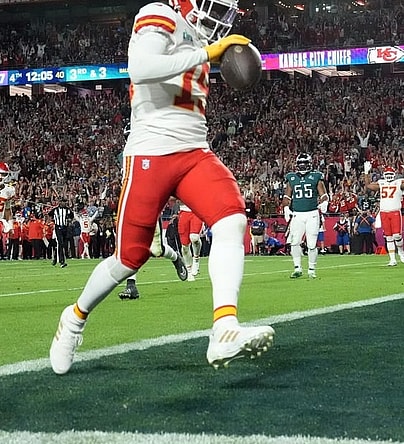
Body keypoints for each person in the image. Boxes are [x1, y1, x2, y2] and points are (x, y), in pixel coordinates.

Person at [49, 0, 274, 375]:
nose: (219, 17)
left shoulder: (199, 38)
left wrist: (212, 54)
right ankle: (73, 319)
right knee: (128, 259)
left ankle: (224, 327)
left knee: (232, 220)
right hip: (150, 153)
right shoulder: (161, 14)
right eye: (215, 7)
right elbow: (140, 68)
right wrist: (205, 52)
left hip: (195, 153)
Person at [282, 153, 329, 278]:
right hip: (297, 214)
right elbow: (287, 196)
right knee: (294, 242)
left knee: (312, 243)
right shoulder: (291, 178)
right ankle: (297, 268)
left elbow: (323, 194)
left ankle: (311, 269)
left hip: (312, 213)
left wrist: (325, 202)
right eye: (300, 164)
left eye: (304, 164)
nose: (302, 167)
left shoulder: (316, 176)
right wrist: (286, 207)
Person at [118, 218, 189, 300]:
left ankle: (176, 258)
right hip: (132, 215)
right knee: (131, 248)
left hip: (150, 213)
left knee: (157, 250)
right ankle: (131, 286)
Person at [363, 162, 404, 265]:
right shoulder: (381, 183)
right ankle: (392, 259)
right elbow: (368, 185)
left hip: (395, 211)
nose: (389, 176)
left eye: (391, 174)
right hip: (384, 212)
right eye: (387, 174)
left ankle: (401, 251)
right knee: (389, 237)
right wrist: (366, 173)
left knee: (397, 236)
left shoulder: (399, 182)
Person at [178, 203, 204, 281]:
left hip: (197, 211)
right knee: (185, 246)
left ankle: (196, 258)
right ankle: (189, 270)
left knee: (194, 238)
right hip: (184, 211)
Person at [48, 198, 73, 268]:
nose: (64, 203)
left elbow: (72, 216)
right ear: (60, 202)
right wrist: (53, 221)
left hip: (65, 228)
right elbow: (49, 214)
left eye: (65, 202)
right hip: (58, 227)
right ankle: (62, 261)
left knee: (63, 244)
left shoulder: (67, 210)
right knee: (60, 243)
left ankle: (55, 259)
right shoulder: (55, 210)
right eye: (63, 202)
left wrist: (69, 220)